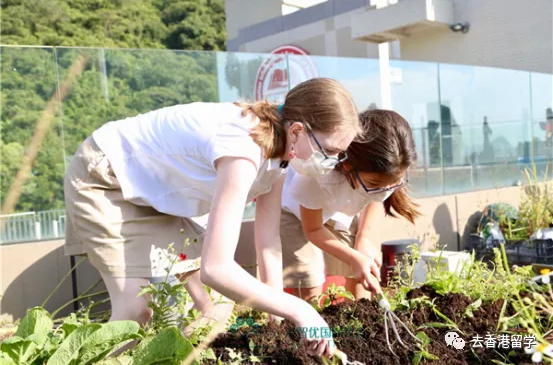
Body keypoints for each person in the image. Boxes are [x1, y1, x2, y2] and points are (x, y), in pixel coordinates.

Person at [63, 77, 361, 358]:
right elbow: (216, 269)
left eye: (339, 154)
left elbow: (268, 242)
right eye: (330, 150)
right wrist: (301, 310)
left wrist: (279, 319)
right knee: (134, 310)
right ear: (297, 130)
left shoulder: (282, 152)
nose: (332, 162)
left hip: (153, 196)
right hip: (107, 177)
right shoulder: (243, 150)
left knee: (212, 310)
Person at [280, 109, 420, 303]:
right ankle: (310, 328)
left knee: (360, 272)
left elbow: (377, 198)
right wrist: (354, 258)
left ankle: (359, 326)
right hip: (294, 209)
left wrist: (364, 241)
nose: (385, 190)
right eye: (374, 184)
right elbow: (313, 229)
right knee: (308, 280)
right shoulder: (315, 176)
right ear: (348, 166)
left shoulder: (390, 167)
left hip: (339, 205)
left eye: (392, 184)